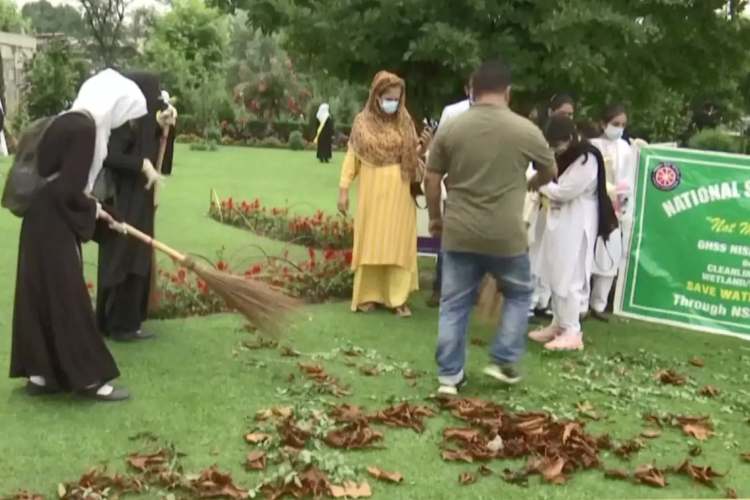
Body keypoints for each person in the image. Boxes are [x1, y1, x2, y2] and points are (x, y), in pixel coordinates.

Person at [9, 69, 148, 401]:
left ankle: (40, 375)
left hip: (37, 221)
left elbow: (59, 182)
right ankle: (89, 380)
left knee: (39, 290)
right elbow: (68, 191)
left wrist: (99, 210)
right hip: (53, 222)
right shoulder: (85, 129)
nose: (118, 121)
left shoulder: (65, 120)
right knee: (68, 295)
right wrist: (94, 212)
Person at [425, 58, 557, 395]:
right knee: (518, 292)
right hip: (505, 235)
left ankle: (449, 378)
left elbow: (431, 175)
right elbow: (550, 171)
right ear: (507, 92)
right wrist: (532, 182)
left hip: (459, 230)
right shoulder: (526, 130)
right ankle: (503, 357)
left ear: (473, 89)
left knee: (453, 303)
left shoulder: (452, 127)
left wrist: (436, 218)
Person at [338, 71, 427, 318]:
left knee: (397, 244)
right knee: (371, 243)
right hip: (372, 197)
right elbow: (352, 158)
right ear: (376, 97)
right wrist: (343, 190)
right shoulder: (362, 123)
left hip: (400, 195)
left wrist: (423, 148)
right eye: (388, 97)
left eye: (397, 98)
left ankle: (397, 299)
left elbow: (413, 159)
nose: (393, 103)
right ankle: (368, 296)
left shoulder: (405, 122)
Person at [529, 115, 618, 351]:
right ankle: (558, 323)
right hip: (558, 222)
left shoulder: (587, 157)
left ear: (569, 138)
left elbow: (565, 191)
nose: (555, 148)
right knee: (554, 272)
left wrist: (538, 182)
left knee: (571, 276)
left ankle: (572, 330)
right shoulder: (564, 155)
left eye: (557, 143)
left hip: (578, 223)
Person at [96, 71, 165, 341]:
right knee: (123, 258)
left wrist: (163, 129)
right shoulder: (125, 123)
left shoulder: (145, 123)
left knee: (137, 258)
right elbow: (109, 156)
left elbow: (161, 161)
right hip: (124, 201)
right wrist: (141, 165)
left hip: (140, 201)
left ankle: (129, 321)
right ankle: (118, 323)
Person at [583, 104, 634, 321]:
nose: (619, 128)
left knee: (611, 253)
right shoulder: (592, 145)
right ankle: (581, 303)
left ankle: (599, 304)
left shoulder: (627, 149)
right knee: (587, 254)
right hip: (593, 204)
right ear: (603, 124)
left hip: (616, 206)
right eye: (615, 124)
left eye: (623, 125)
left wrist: (621, 195)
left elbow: (631, 177)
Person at [427, 80, 472, 308]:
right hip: (456, 186)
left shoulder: (501, 115)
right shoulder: (453, 112)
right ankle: (440, 287)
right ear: (467, 89)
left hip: (486, 190)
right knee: (448, 240)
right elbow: (438, 150)